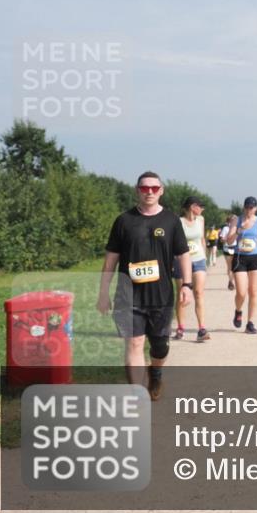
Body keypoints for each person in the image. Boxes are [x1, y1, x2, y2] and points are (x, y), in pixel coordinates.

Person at [97, 171, 192, 401]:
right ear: (137, 190)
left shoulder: (171, 221)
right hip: (128, 295)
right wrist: (103, 292)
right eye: (144, 188)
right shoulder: (124, 221)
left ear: (161, 191)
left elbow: (183, 254)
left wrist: (186, 285)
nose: (149, 192)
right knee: (135, 342)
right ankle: (137, 396)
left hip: (161, 295)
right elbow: (111, 258)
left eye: (154, 188)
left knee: (160, 348)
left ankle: (156, 372)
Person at [224, 196, 257, 334]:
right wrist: (239, 230)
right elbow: (229, 240)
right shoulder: (236, 220)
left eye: (252, 207)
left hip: (255, 257)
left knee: (253, 292)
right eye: (247, 207)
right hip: (240, 258)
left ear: (256, 208)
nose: (249, 210)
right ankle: (238, 311)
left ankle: (250, 323)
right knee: (241, 292)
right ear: (244, 207)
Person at [173, 196, 210, 342]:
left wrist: (205, 256)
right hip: (182, 262)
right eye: (200, 206)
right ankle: (181, 327)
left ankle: (201, 329)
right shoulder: (179, 222)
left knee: (199, 293)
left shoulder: (200, 220)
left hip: (199, 259)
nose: (202, 209)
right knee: (182, 295)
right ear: (192, 206)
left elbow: (201, 239)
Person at [219, 214, 236, 290]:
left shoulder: (237, 228)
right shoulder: (225, 229)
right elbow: (221, 240)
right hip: (227, 248)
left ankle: (235, 281)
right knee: (230, 266)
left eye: (235, 220)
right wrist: (228, 238)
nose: (233, 221)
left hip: (236, 248)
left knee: (236, 266)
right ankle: (230, 281)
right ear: (229, 221)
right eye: (232, 220)